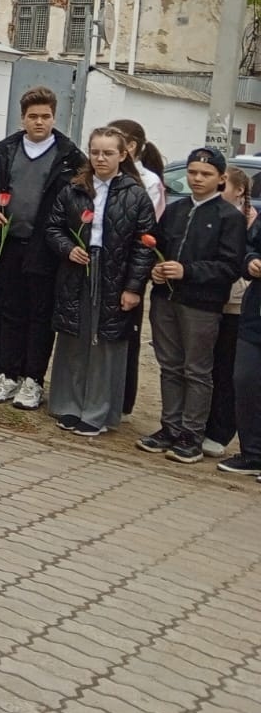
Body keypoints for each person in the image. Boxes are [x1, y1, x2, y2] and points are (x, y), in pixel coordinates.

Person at [0, 86, 85, 412]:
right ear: (22, 118)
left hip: (46, 249)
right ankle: (8, 374)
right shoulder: (6, 151)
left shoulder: (69, 157)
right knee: (10, 313)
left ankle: (33, 380)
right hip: (10, 246)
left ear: (54, 117)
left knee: (39, 316)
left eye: (45, 116)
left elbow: (80, 201)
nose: (39, 122)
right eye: (33, 117)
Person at [136, 147, 246, 464]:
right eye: (193, 172)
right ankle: (169, 427)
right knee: (169, 365)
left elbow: (230, 266)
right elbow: (155, 244)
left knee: (196, 370)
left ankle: (192, 434)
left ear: (222, 179)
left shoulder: (229, 218)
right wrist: (155, 270)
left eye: (206, 174)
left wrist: (189, 271)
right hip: (165, 299)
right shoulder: (175, 209)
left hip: (202, 305)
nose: (197, 178)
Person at [45, 127, 155, 438]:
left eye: (108, 153)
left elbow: (144, 245)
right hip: (77, 267)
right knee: (74, 337)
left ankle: (97, 411)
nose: (100, 158)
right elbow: (53, 227)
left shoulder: (135, 194)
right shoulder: (75, 188)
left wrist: (133, 287)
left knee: (105, 342)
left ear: (123, 155)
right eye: (95, 152)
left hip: (114, 272)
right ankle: (69, 404)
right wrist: (68, 248)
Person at [111, 119, 166, 418]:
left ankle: (122, 399)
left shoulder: (150, 182)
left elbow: (147, 230)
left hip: (129, 266)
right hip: (102, 264)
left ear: (129, 147)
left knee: (125, 333)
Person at [207, 166, 256, 458]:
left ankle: (221, 430)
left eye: (224, 185)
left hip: (237, 305)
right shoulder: (209, 215)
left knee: (227, 370)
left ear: (238, 191)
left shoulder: (249, 220)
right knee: (207, 367)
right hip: (210, 300)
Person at [216, 205, 261, 475]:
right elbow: (248, 247)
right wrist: (251, 261)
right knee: (245, 381)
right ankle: (252, 453)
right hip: (255, 316)